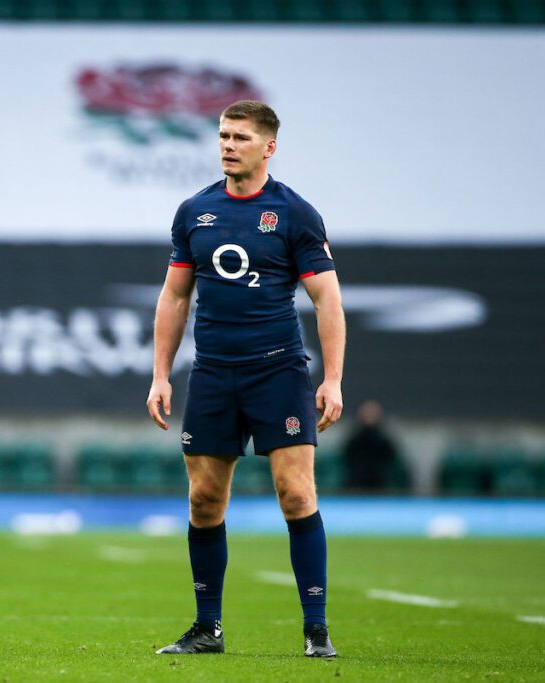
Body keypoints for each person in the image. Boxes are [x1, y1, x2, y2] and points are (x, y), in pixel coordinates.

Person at [146, 101, 345, 658]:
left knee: (295, 492)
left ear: (268, 146)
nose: (227, 145)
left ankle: (316, 629)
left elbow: (327, 297)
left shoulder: (294, 214)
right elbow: (175, 295)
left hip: (278, 371)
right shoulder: (195, 211)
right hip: (212, 373)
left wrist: (332, 379)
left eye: (239, 137)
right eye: (222, 136)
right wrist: (161, 374)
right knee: (205, 498)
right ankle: (207, 628)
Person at [343, 400, 401, 491]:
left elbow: (390, 457)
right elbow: (347, 456)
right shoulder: (354, 439)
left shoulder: (384, 440)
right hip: (356, 485)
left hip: (380, 485)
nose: (369, 417)